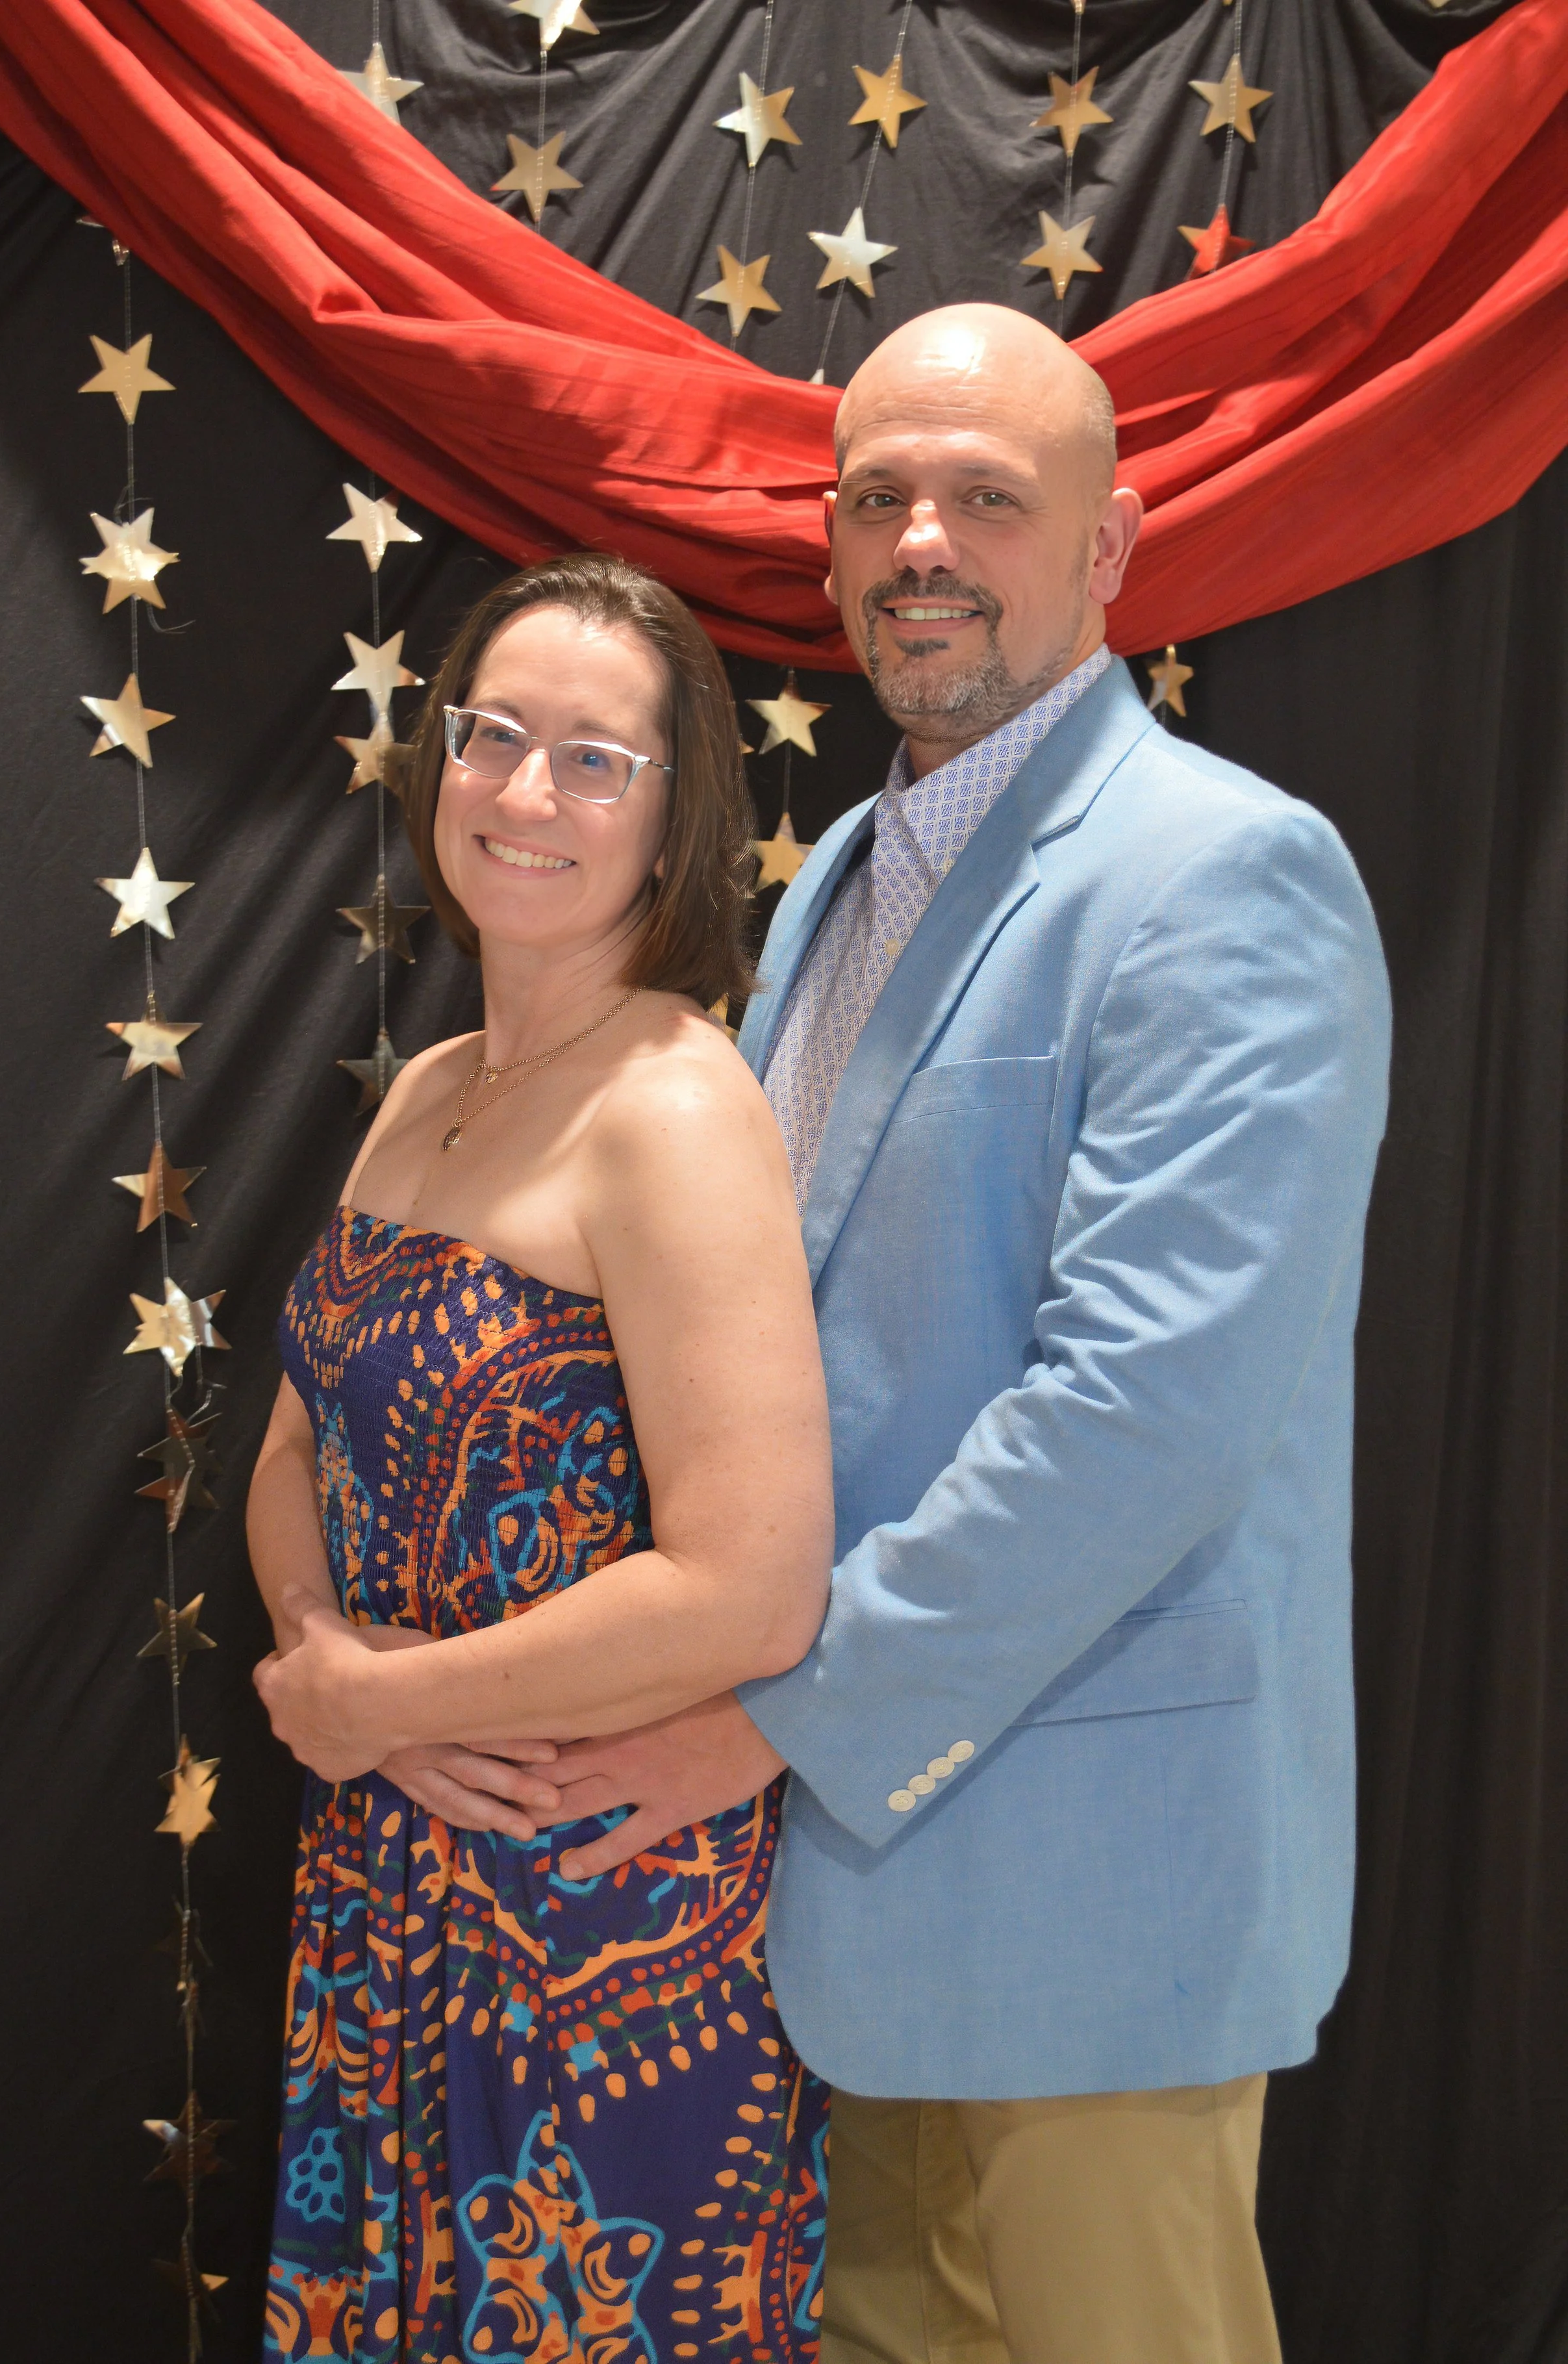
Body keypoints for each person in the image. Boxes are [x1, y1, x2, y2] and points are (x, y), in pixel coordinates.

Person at [527, 306, 1394, 2361]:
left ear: (1106, 548)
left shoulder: (1222, 871)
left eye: (986, 498)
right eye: (878, 498)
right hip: (848, 1885)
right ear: (829, 552)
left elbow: (1143, 1410)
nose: (923, 538)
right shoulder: (837, 872)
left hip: (1092, 1874)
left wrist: (766, 1717)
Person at [247, 553, 833, 2364]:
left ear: (673, 823)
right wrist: (324, 1658)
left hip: (597, 1912)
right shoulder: (430, 1089)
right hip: (387, 1877)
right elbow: (290, 1445)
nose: (523, 791)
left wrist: (383, 1708)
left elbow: (749, 1584)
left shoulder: (673, 1104)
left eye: (594, 759)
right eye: (493, 735)